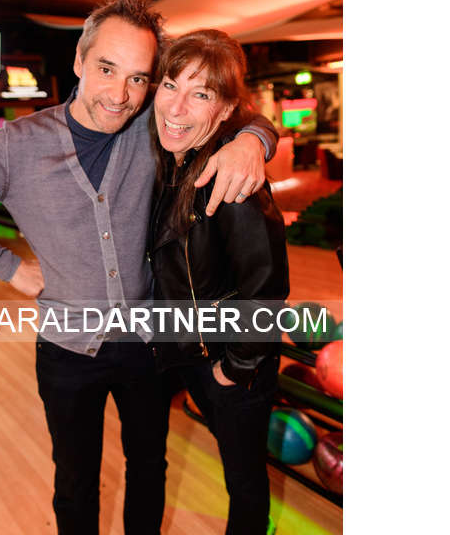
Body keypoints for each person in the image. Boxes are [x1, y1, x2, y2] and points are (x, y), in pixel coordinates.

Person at [0, 0, 279, 535]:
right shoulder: (17, 144)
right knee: (75, 480)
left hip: (146, 345)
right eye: (107, 69)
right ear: (79, 61)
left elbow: (236, 112)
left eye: (138, 78)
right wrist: (9, 268)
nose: (120, 94)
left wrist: (253, 140)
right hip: (67, 351)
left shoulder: (150, 124)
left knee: (148, 467)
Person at [148, 29, 290, 535]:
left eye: (201, 94)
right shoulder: (170, 159)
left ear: (227, 108)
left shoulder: (233, 181)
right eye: (170, 85)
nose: (176, 106)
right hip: (195, 354)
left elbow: (267, 288)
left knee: (244, 482)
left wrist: (236, 367)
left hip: (232, 361)